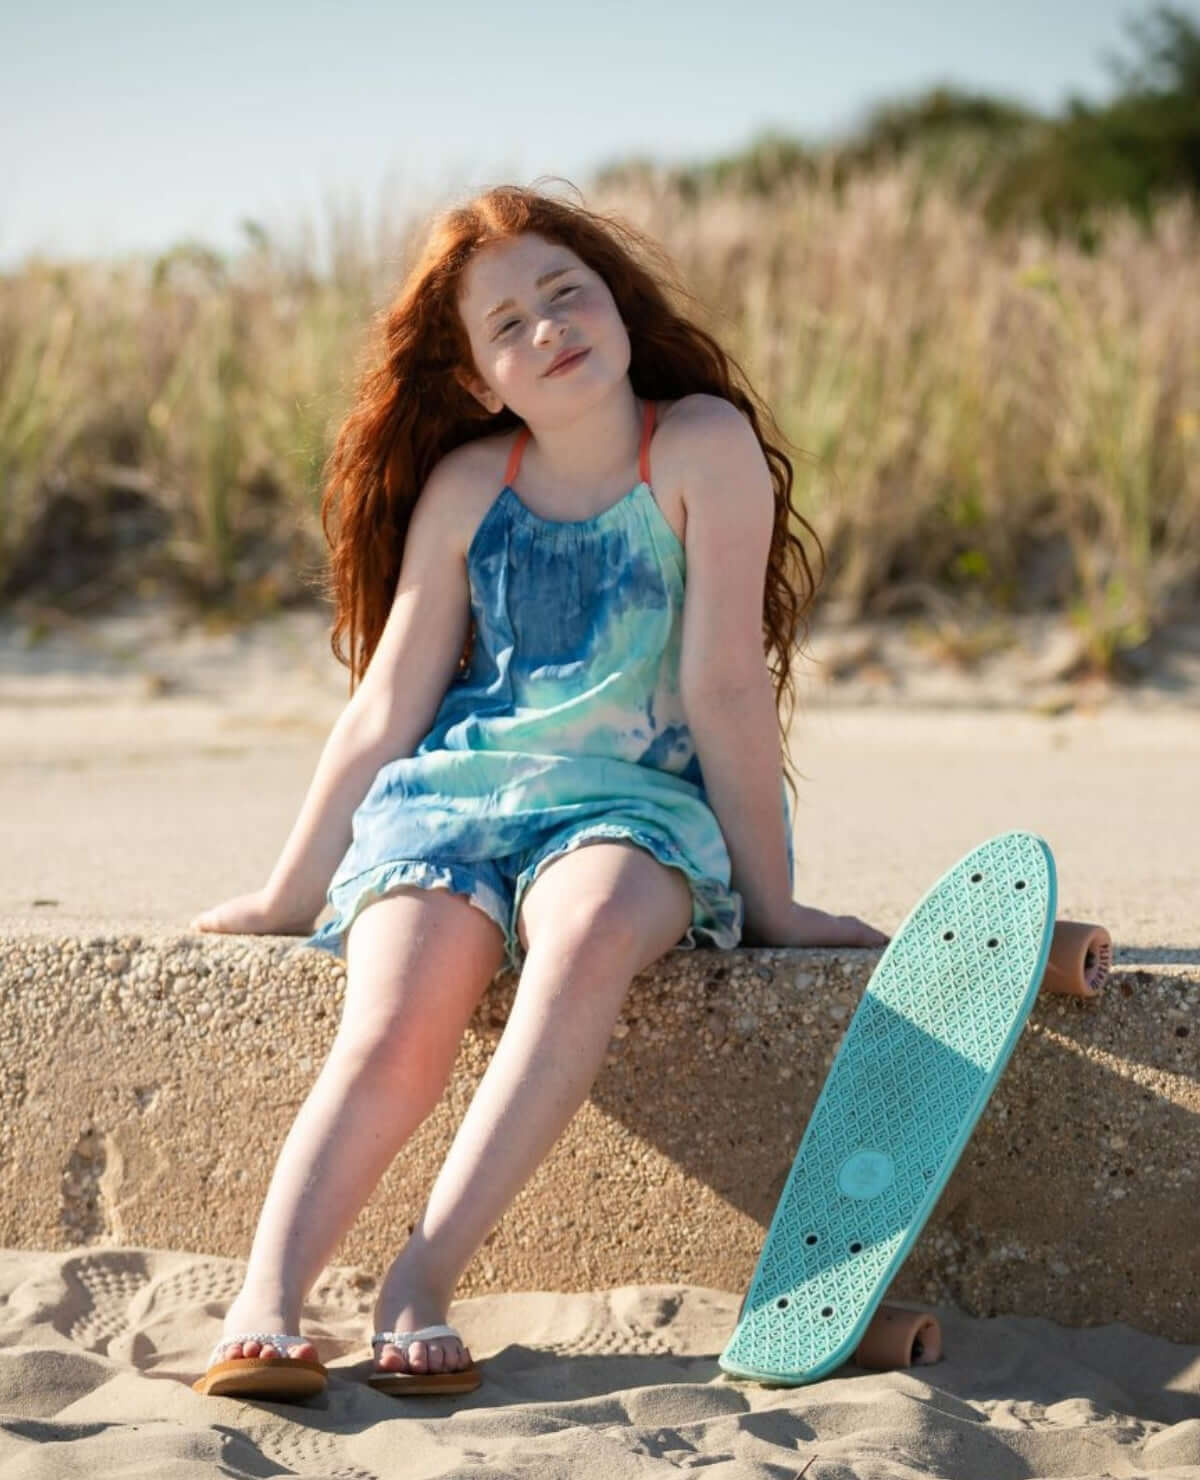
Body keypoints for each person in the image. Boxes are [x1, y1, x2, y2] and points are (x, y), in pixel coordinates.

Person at [188, 181, 890, 1401]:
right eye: (507, 324)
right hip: (456, 801)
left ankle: (422, 1274)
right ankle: (270, 1295)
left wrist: (775, 906)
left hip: (632, 806)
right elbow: (388, 704)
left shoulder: (701, 447)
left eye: (566, 293)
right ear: (476, 378)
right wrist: (283, 890)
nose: (548, 328)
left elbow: (724, 689)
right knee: (399, 1011)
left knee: (591, 933)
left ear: (617, 303)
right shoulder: (471, 485)